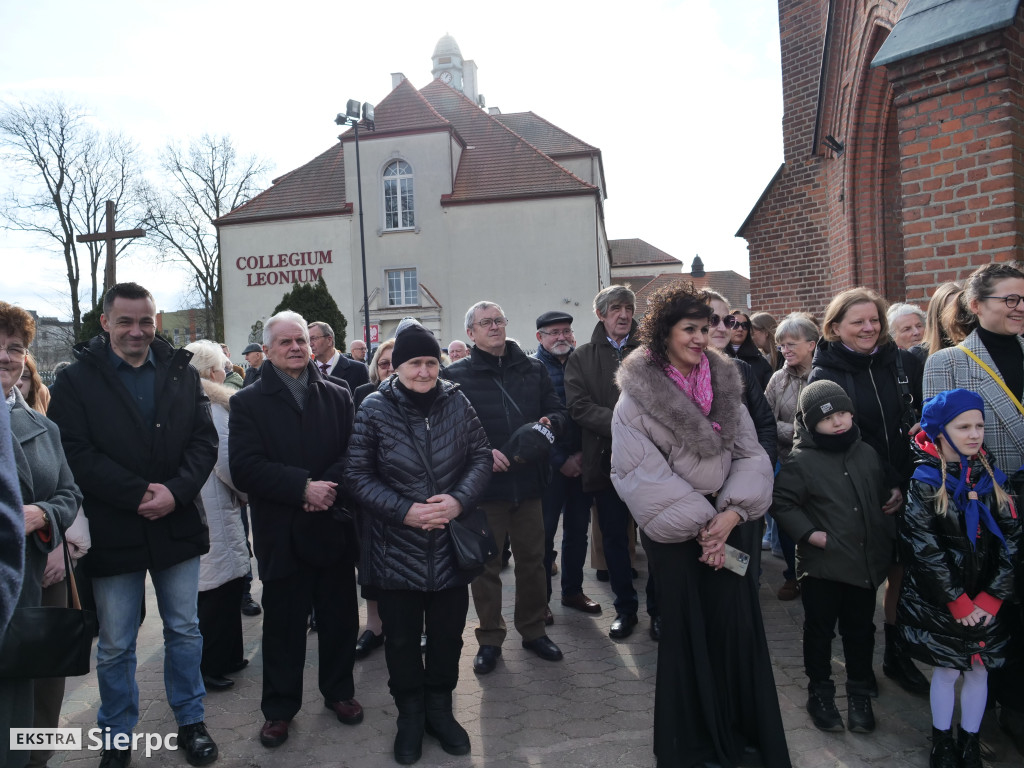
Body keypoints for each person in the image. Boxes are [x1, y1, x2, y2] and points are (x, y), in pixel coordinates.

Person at [609, 282, 789, 768]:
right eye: (688, 329)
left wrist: (731, 515)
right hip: (675, 535)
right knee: (688, 636)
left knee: (736, 631)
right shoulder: (634, 400)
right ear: (664, 334)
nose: (699, 337)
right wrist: (705, 526)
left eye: (706, 328)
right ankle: (693, 745)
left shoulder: (728, 382)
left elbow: (752, 453)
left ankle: (743, 735)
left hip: (731, 524)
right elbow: (639, 475)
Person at [47, 283, 219, 768]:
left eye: (145, 321)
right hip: (114, 527)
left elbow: (204, 443)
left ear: (155, 321)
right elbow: (74, 452)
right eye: (125, 321)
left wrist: (175, 491)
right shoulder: (76, 381)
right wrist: (136, 493)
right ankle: (118, 735)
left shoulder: (181, 373)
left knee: (184, 629)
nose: (136, 331)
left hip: (177, 520)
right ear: (105, 322)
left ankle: (191, 721)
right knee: (117, 642)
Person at [346, 320, 491, 764]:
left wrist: (458, 500)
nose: (425, 371)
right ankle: (409, 715)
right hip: (395, 549)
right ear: (397, 367)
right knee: (403, 641)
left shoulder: (456, 401)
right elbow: (355, 475)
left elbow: (481, 456)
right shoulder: (373, 407)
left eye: (431, 362)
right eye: (415, 363)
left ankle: (440, 711)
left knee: (448, 637)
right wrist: (403, 510)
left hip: (449, 547)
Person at [228, 310, 362, 749]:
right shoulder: (248, 401)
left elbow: (354, 455)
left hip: (333, 524)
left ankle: (340, 692)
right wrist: (302, 487)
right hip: (282, 531)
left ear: (314, 344)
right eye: (284, 342)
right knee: (284, 627)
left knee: (340, 617)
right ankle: (280, 710)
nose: (295, 348)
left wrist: (327, 489)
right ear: (266, 350)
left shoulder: (339, 393)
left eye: (301, 340)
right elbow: (245, 468)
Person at [923, 261, 1024, 753]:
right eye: (1010, 299)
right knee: (992, 604)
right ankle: (982, 717)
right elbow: (938, 444)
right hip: (986, 500)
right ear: (976, 304)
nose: (1020, 307)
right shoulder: (947, 362)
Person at [808, 286, 928, 696]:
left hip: (910, 483)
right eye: (857, 321)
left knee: (901, 572)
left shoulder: (903, 360)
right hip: (860, 488)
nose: (868, 328)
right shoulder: (825, 373)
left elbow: (919, 416)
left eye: (874, 319)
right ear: (835, 327)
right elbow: (845, 437)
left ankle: (898, 654)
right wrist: (885, 480)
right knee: (861, 579)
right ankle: (860, 665)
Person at [899, 389, 1021, 768]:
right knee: (948, 669)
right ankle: (942, 740)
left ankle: (969, 739)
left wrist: (992, 598)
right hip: (944, 603)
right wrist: (958, 601)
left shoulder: (992, 477)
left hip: (986, 602)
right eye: (963, 426)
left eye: (979, 426)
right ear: (940, 432)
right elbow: (924, 549)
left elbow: (1013, 540)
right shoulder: (923, 482)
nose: (974, 434)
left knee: (979, 669)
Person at [445, 300, 566, 674]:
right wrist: (481, 453)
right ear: (471, 333)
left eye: (498, 320)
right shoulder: (456, 376)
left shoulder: (532, 369)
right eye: (485, 322)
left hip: (529, 483)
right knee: (485, 566)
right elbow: (450, 432)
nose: (494, 327)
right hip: (485, 489)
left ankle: (532, 631)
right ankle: (490, 638)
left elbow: (560, 412)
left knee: (534, 561)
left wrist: (549, 424)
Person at [773, 381, 895, 734]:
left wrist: (889, 506)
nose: (839, 422)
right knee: (820, 631)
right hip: (822, 566)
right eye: (829, 418)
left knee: (860, 632)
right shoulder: (801, 460)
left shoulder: (866, 452)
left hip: (863, 563)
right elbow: (782, 502)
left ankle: (859, 694)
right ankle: (821, 693)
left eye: (843, 413)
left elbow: (877, 491)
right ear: (812, 424)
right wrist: (811, 535)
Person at [0, 304, 81, 768]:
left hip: (42, 582)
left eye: (16, 347)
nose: (7, 357)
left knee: (39, 704)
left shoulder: (45, 427)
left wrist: (43, 514)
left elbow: (70, 492)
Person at [564, 286, 652, 639]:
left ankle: (659, 611)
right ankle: (626, 610)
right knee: (616, 540)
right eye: (615, 308)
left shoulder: (649, 352)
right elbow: (578, 406)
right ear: (601, 314)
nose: (624, 315)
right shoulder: (582, 356)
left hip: (651, 461)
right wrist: (624, 424)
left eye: (628, 308)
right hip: (607, 461)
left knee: (656, 538)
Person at [184, 341, 251, 692]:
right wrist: (246, 495)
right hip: (216, 507)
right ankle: (211, 664)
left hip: (201, 506)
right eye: (222, 365)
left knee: (217, 588)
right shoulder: (215, 407)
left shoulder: (186, 403)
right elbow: (229, 463)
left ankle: (228, 656)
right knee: (217, 592)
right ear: (211, 372)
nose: (226, 369)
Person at [533, 311, 600, 619]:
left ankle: (572, 591)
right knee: (544, 535)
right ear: (540, 338)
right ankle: (540, 601)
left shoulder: (584, 363)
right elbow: (533, 421)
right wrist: (561, 460)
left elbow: (592, 409)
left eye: (566, 331)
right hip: (549, 467)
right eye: (554, 332)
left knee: (577, 531)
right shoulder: (532, 370)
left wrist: (584, 455)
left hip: (584, 461)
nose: (561, 337)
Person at [764, 313, 820, 601]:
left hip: (821, 466)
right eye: (781, 344)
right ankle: (792, 574)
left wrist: (799, 429)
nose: (785, 350)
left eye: (792, 343)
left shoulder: (824, 375)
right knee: (787, 522)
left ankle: (817, 575)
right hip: (786, 463)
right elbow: (764, 420)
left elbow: (830, 424)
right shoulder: (778, 379)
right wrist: (800, 429)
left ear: (811, 344)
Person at [351, 337, 396, 658]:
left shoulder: (428, 395)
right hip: (372, 495)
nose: (390, 368)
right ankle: (374, 626)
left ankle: (419, 626)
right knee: (371, 562)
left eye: (396, 361)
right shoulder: (363, 395)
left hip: (414, 496)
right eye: (383, 363)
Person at [309, 320, 369, 392]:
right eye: (307, 340)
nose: (310, 344)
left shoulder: (359, 369)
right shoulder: (307, 372)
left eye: (313, 339)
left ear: (329, 340)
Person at [728, 309, 773, 392]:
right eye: (735, 324)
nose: (740, 329)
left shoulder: (760, 360)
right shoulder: (717, 356)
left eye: (745, 325)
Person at [915, 282, 963, 361]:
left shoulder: (977, 349)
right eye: (949, 309)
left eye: (960, 309)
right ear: (937, 315)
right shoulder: (918, 354)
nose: (956, 315)